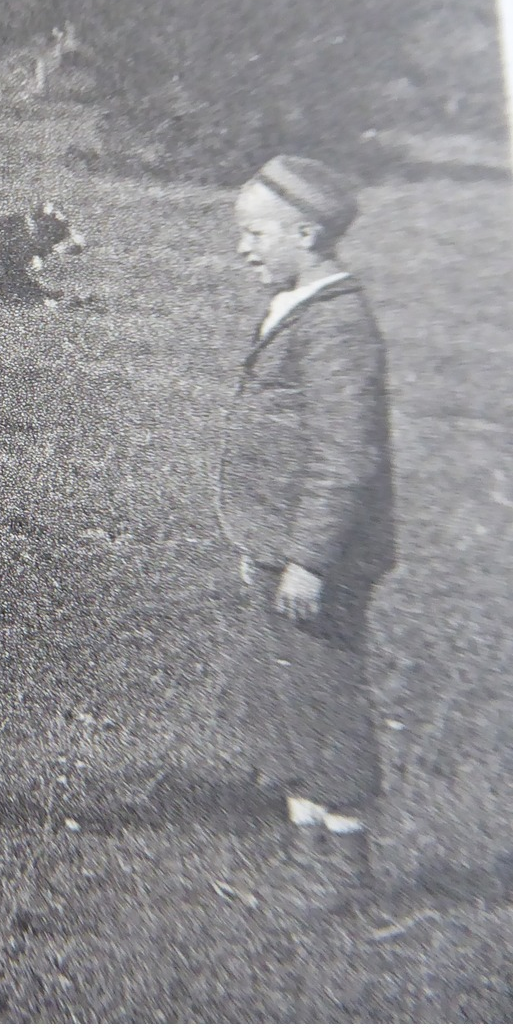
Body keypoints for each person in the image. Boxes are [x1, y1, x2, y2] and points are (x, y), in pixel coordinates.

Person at [218, 155, 397, 912]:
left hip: (313, 556)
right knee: (287, 693)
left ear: (305, 230)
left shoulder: (335, 323)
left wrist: (308, 559)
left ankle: (342, 867)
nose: (242, 247)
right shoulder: (293, 300)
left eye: (254, 232)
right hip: (277, 544)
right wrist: (261, 544)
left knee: (325, 695)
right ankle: (304, 845)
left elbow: (346, 455)